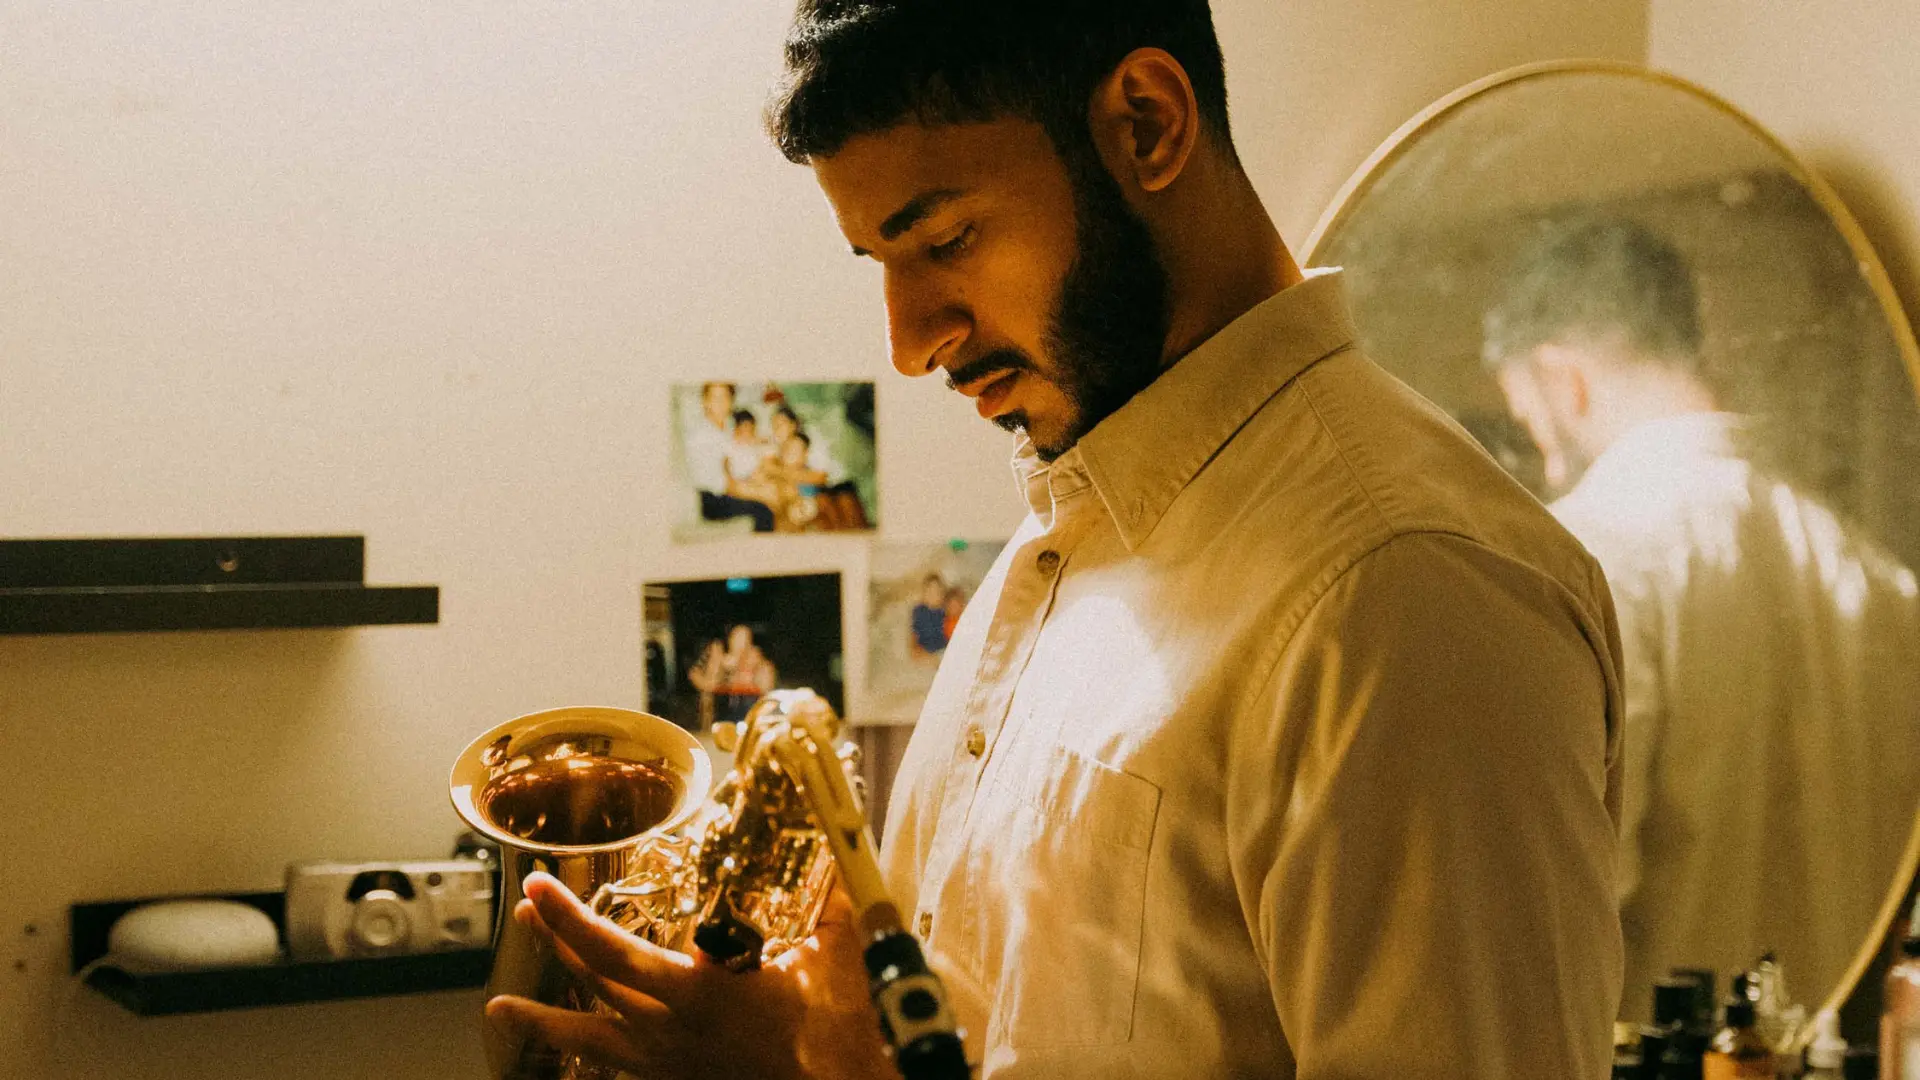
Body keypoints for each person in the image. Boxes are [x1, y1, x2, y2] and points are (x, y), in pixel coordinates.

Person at [487, 5, 1626, 1078]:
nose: (909, 341)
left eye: (944, 239)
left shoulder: (1403, 587)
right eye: (881, 266)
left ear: (1147, 123)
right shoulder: (1069, 540)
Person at [1482, 216, 1920, 1013]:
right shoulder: (1878, 583)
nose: (1543, 459)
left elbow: (1558, 918)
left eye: (1527, 420)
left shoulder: (1590, 556)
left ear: (1562, 380)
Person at [684, 382, 776, 532]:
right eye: (715, 398)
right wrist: (755, 492)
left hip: (737, 482)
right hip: (714, 499)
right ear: (705, 401)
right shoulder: (699, 436)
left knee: (777, 489)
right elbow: (716, 482)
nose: (720, 403)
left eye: (725, 397)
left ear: (732, 401)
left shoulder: (729, 425)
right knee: (764, 510)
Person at [907, 573, 951, 659]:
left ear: (943, 594)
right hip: (925, 652)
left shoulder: (945, 610)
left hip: (942, 650)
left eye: (937, 592)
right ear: (923, 594)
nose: (933, 596)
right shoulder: (919, 611)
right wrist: (915, 650)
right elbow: (913, 635)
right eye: (930, 592)